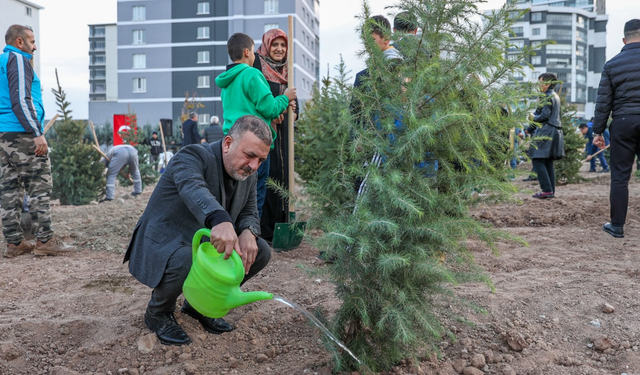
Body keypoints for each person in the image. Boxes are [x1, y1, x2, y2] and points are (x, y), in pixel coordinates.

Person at [124, 115, 273, 346]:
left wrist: (249, 231)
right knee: (187, 257)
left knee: (260, 250)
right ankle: (158, 312)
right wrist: (220, 219)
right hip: (165, 240)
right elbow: (193, 187)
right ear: (227, 143)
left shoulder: (247, 173)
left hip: (202, 242)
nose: (254, 166)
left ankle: (200, 306)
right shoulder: (192, 156)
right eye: (250, 155)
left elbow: (250, 210)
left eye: (261, 160)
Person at [0, 25, 76, 257]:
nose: (35, 46)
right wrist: (36, 132)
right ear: (19, 42)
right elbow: (21, 99)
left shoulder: (2, 61)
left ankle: (14, 243)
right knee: (39, 186)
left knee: (9, 189)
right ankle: (45, 240)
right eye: (32, 41)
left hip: (4, 136)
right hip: (22, 134)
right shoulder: (19, 60)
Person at [215, 32, 296, 218]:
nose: (255, 56)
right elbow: (269, 108)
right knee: (254, 197)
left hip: (231, 142)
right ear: (246, 52)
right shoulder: (252, 74)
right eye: (253, 52)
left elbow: (246, 107)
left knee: (234, 196)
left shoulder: (227, 81)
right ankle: (251, 238)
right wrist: (286, 97)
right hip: (253, 144)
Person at [592, 19, 640, 238]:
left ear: (624, 39)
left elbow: (604, 102)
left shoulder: (612, 64)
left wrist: (598, 132)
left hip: (623, 121)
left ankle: (617, 226)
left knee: (620, 177)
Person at [253, 28, 300, 242]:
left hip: (285, 136)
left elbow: (295, 103)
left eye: (283, 45)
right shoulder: (258, 69)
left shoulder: (287, 70)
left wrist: (294, 112)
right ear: (267, 46)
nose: (279, 49)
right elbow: (260, 102)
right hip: (265, 133)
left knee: (284, 175)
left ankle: (283, 222)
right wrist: (276, 111)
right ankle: (266, 228)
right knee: (269, 177)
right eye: (275, 45)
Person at [526, 73, 564, 199]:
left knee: (537, 160)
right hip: (555, 131)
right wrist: (529, 129)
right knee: (547, 162)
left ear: (548, 83)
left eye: (541, 82)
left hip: (546, 131)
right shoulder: (555, 96)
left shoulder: (546, 96)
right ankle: (550, 191)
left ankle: (546, 190)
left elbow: (543, 116)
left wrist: (532, 118)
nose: (539, 85)